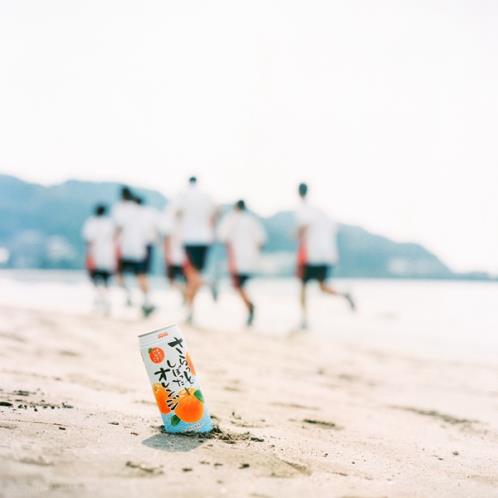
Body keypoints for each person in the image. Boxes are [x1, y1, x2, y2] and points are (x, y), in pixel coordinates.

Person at [296, 182, 355, 330]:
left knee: (303, 287)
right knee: (322, 287)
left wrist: (295, 235)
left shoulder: (304, 208)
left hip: (312, 255)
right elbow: (335, 228)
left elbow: (303, 227)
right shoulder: (320, 211)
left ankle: (304, 320)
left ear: (299, 193)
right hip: (326, 254)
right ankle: (344, 295)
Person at [172, 176, 217, 324]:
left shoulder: (183, 195)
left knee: (191, 276)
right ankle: (191, 311)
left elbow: (176, 214)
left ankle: (192, 308)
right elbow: (216, 212)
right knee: (194, 276)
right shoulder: (206, 196)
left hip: (189, 239)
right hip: (205, 239)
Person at [217, 200, 266, 327]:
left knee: (238, 286)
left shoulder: (232, 219)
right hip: (250, 260)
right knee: (240, 285)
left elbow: (222, 236)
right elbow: (261, 240)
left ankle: (250, 307)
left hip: (237, 259)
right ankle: (250, 308)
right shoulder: (252, 220)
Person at [113, 189, 156, 317]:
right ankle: (147, 302)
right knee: (142, 276)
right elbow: (150, 233)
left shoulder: (120, 209)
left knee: (119, 275)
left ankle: (129, 296)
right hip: (142, 248)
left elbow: (118, 228)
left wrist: (113, 242)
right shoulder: (143, 211)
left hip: (125, 248)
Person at [82, 204, 116, 315]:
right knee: (106, 281)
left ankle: (99, 300)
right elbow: (115, 238)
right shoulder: (109, 223)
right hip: (108, 256)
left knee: (95, 280)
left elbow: (89, 241)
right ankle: (106, 301)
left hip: (95, 255)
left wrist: (88, 256)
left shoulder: (91, 222)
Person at [160, 204, 187, 301]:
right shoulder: (187, 228)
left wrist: (166, 257)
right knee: (185, 282)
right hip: (184, 259)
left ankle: (185, 295)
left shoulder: (171, 227)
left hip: (174, 258)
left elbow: (167, 243)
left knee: (172, 281)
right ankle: (185, 296)